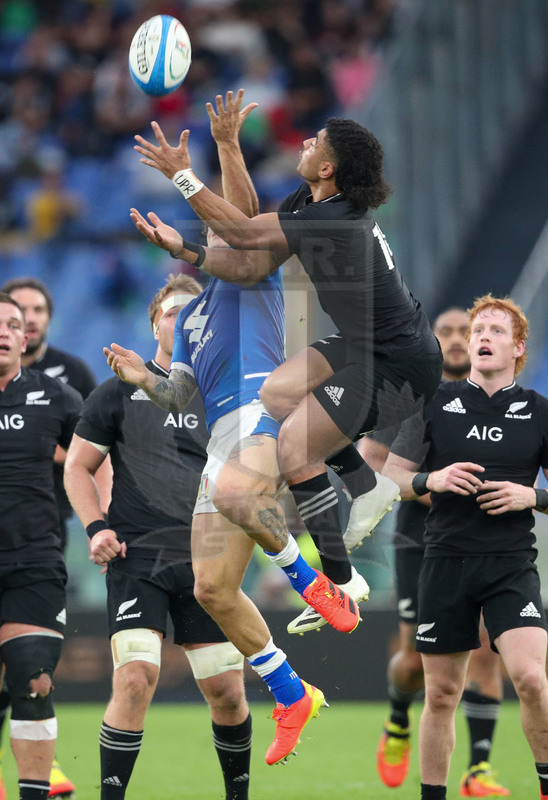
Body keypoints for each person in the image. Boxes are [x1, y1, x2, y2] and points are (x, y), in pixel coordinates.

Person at [107, 90, 362, 767]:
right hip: (222, 430)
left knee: (235, 499)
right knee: (212, 589)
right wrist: (145, 381)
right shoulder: (188, 323)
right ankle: (289, 690)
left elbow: (246, 217)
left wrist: (222, 146)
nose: (221, 226)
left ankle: (317, 585)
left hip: (263, 412)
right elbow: (184, 395)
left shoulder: (249, 275)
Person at [129, 98, 442, 637]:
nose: (303, 142)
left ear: (329, 169)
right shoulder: (312, 201)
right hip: (366, 343)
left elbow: (247, 235)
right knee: (279, 390)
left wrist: (183, 177)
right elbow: (250, 259)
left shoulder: (336, 216)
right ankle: (365, 486)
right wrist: (187, 248)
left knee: (294, 448)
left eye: (315, 140)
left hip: (398, 363)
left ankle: (341, 581)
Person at [64, 273, 254, 800]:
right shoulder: (116, 391)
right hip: (137, 555)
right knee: (134, 678)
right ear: (155, 323)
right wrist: (96, 526)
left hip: (207, 559)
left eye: (192, 312)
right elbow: (77, 467)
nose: (182, 319)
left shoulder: (224, 392)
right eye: (171, 311)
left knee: (227, 692)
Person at [381, 294, 548, 800]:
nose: (482, 337)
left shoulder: (539, 411)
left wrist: (532, 495)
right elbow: (392, 475)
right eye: (479, 330)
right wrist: (433, 478)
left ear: (518, 348)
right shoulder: (435, 403)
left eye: (496, 331)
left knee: (533, 680)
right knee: (441, 693)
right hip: (446, 562)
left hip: (509, 565)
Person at [371, 307, 509, 796]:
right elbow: (375, 458)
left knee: (488, 649)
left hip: (486, 539)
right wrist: (434, 485)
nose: (455, 339)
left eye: (464, 332)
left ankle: (479, 769)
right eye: (447, 331)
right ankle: (397, 717)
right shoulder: (417, 394)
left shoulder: (500, 401)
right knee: (413, 661)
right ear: (434, 339)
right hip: (420, 541)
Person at [0, 276, 110, 799]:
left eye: (14, 326)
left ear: (26, 340)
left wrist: (102, 521)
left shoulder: (59, 395)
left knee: (33, 677)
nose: (5, 333)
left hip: (33, 559)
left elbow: (98, 457)